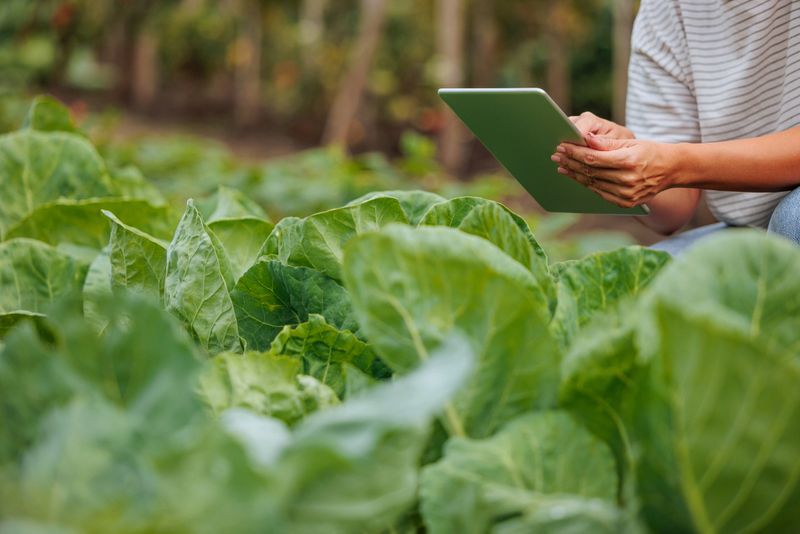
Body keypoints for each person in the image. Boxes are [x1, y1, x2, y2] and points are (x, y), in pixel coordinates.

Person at [549, 0, 800, 254]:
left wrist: (677, 163)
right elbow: (673, 211)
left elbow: (675, 165)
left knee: (794, 218)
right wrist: (622, 161)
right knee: (632, 282)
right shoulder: (665, 8)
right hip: (746, 232)